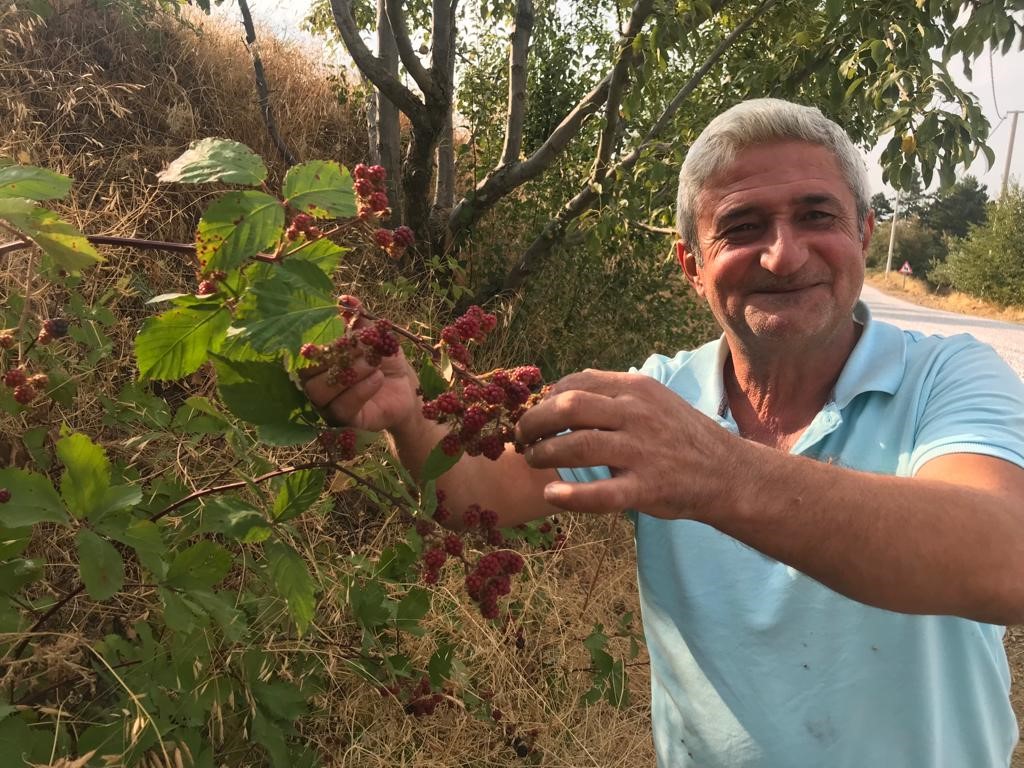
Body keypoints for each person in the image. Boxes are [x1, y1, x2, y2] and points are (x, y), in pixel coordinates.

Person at [303, 98, 1024, 767]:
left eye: (817, 216)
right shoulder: (658, 396)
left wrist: (719, 472)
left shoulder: (950, 377)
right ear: (692, 268)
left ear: (864, 234)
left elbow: (1007, 559)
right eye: (742, 228)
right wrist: (404, 413)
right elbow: (475, 492)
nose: (783, 254)